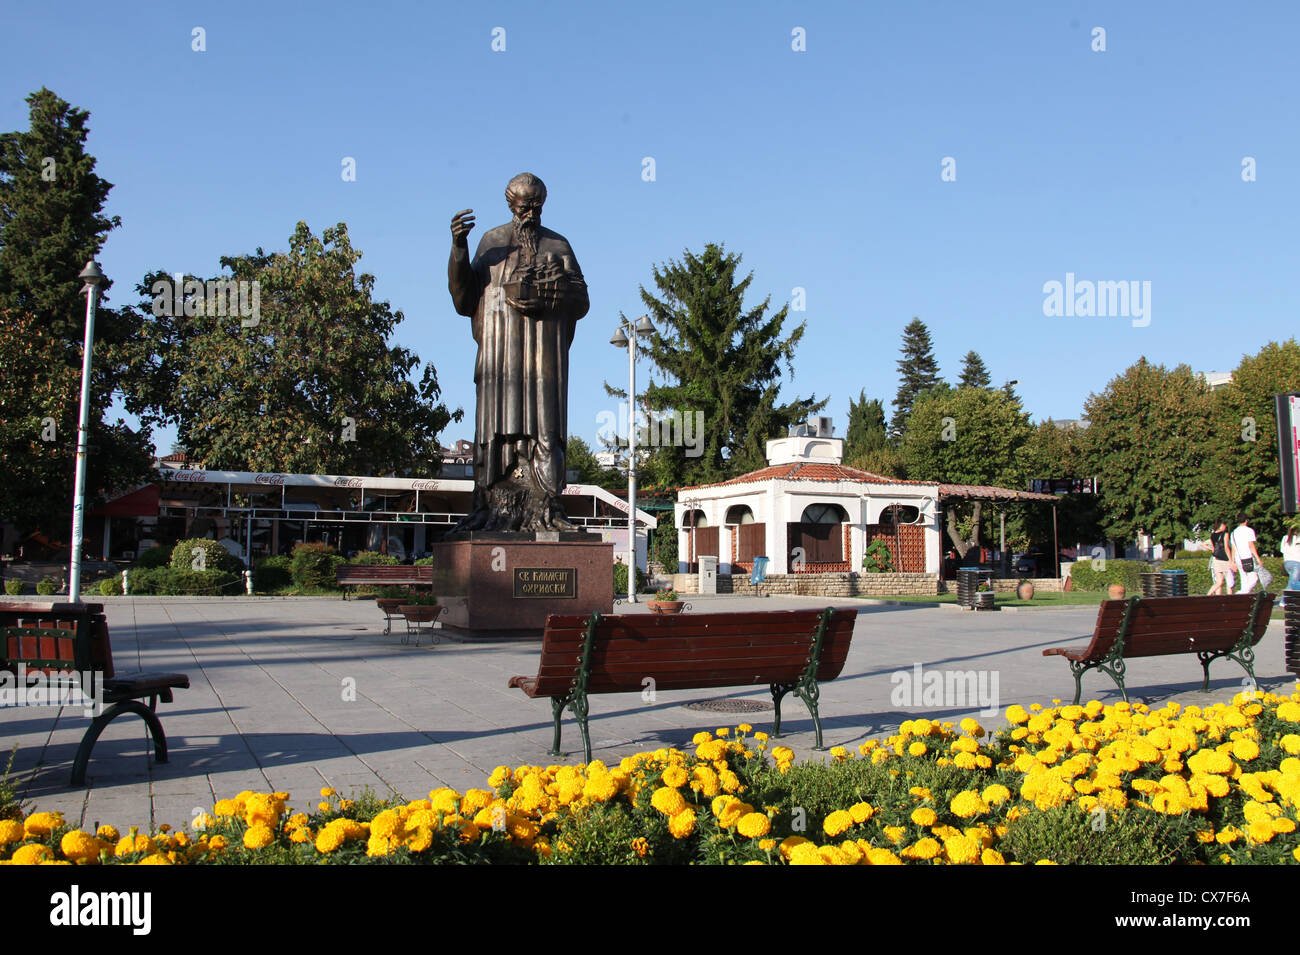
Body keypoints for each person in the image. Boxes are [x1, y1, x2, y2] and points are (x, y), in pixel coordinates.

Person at [448, 172, 589, 531]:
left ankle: (547, 505)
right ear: (511, 205)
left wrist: (554, 291)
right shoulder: (492, 242)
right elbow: (464, 299)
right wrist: (459, 249)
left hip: (543, 353)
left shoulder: (558, 246)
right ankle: (494, 500)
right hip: (502, 355)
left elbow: (582, 299)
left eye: (536, 207)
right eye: (524, 206)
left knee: (545, 425)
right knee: (500, 422)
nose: (530, 214)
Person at [1231, 513, 1264, 594]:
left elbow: (1233, 548)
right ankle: (1242, 593)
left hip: (1238, 558)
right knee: (1254, 579)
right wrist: (1258, 558)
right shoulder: (1249, 531)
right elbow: (1251, 545)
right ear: (1246, 520)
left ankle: (1243, 597)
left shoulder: (1234, 532)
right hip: (1248, 557)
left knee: (1244, 579)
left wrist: (1232, 561)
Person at [1207, 518, 1236, 595]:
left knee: (1219, 582)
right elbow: (1226, 548)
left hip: (1216, 559)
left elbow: (1214, 548)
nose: (1225, 527)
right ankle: (1230, 600)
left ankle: (1208, 595)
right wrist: (1231, 561)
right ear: (1221, 525)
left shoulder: (1212, 535)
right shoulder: (1225, 534)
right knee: (1229, 582)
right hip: (1225, 559)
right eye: (1224, 525)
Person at [1281, 521, 1300, 604]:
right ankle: (1284, 600)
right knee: (1292, 583)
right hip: (1296, 563)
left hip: (1287, 562)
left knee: (1296, 582)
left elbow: (1282, 550)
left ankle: (1294, 600)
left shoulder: (1285, 538)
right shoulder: (1298, 538)